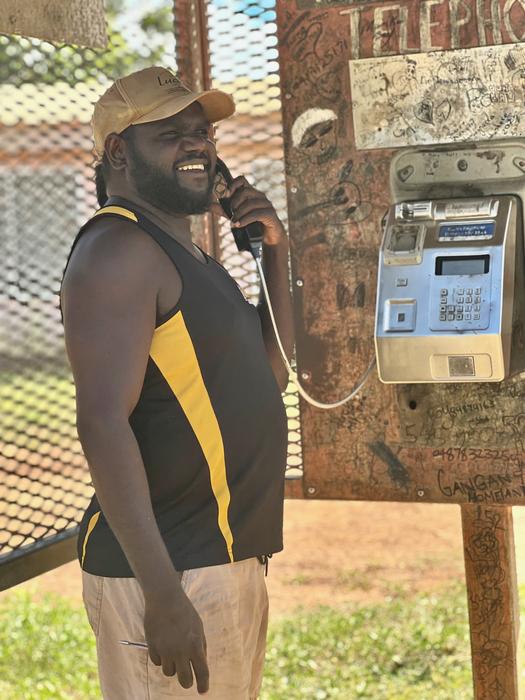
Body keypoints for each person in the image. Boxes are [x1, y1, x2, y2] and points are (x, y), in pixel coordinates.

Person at [60, 66, 294, 699]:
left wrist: (274, 251)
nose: (199, 145)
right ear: (118, 151)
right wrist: (162, 595)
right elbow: (102, 424)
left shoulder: (190, 257)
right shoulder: (118, 253)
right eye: (172, 133)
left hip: (218, 560)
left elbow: (268, 377)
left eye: (203, 133)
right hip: (168, 574)